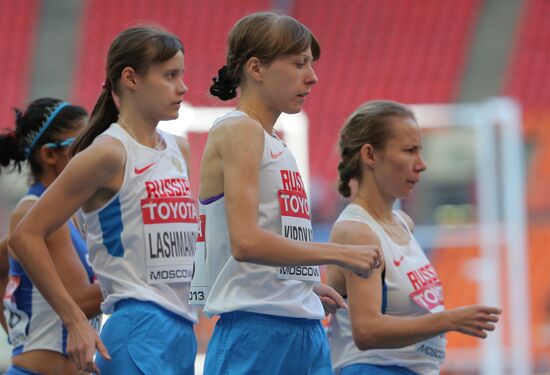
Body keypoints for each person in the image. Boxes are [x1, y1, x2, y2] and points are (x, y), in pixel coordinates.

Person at [190, 12, 382, 375]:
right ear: (256, 68)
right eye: (299, 63)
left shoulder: (276, 144)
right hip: (257, 331)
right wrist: (338, 253)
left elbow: (273, 237)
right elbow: (246, 242)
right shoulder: (239, 130)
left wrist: (304, 285)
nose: (312, 76)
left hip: (298, 325)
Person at [9, 26, 198, 374]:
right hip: (136, 328)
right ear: (131, 78)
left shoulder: (178, 149)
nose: (183, 87)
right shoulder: (108, 153)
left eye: (181, 75)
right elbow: (24, 235)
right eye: (170, 75)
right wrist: (74, 320)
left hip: (183, 329)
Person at [327, 100, 502, 375]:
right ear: (370, 155)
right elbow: (366, 330)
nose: (421, 165)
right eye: (409, 151)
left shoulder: (403, 224)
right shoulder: (357, 231)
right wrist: (449, 320)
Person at [0, 98, 102, 375]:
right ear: (49, 155)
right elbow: (81, 299)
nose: (92, 151)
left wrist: (19, 331)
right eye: (82, 142)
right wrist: (147, 277)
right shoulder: (36, 214)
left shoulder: (65, 213)